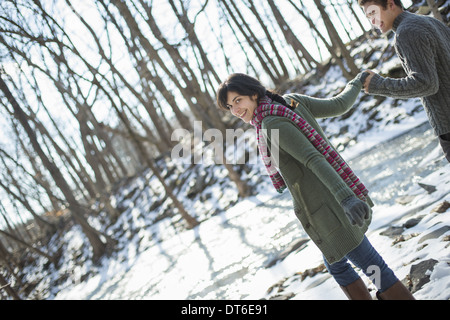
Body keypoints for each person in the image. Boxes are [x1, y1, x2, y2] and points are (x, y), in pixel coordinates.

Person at [216, 73, 415, 300]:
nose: (235, 110)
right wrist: (357, 83)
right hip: (330, 202)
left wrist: (346, 198)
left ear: (253, 94)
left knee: (375, 269)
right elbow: (339, 105)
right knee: (337, 265)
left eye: (238, 100)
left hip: (331, 208)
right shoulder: (289, 102)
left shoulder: (271, 123)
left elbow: (313, 158)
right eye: (230, 106)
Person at [358, 0, 450, 162]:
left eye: (373, 12)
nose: (371, 21)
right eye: (368, 17)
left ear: (391, 4)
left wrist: (378, 85)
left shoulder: (406, 32)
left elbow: (426, 84)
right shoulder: (429, 21)